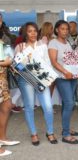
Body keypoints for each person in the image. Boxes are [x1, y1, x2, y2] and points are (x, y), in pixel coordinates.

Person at [15, 22, 57, 146]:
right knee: (29, 107)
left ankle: (50, 132)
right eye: (29, 31)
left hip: (42, 80)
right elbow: (16, 66)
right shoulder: (20, 47)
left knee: (48, 107)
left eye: (34, 30)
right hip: (26, 80)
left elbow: (48, 63)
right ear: (25, 33)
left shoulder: (43, 45)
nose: (33, 33)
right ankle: (33, 133)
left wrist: (50, 78)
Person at [49, 20, 78, 144]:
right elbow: (54, 61)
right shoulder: (53, 42)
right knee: (70, 103)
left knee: (66, 103)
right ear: (57, 30)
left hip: (72, 77)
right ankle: (65, 134)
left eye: (67, 29)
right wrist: (65, 72)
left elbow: (73, 60)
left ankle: (66, 128)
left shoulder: (68, 43)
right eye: (62, 29)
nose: (65, 31)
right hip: (61, 77)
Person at [0, 28, 20, 156]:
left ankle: (2, 137)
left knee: (7, 106)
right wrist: (4, 62)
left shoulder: (2, 39)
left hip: (2, 78)